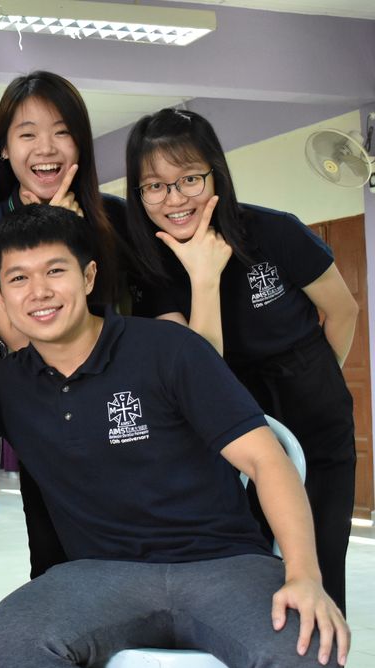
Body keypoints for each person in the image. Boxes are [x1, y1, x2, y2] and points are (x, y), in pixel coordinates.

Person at [0, 205, 349, 668]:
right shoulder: (3, 387)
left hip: (225, 567)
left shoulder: (169, 348)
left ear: (88, 277)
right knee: (17, 635)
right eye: (18, 278)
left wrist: (304, 575)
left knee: (307, 649)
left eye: (55, 271)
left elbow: (265, 460)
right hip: (98, 575)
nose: (39, 291)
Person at [123, 107, 358, 611]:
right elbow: (202, 371)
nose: (174, 199)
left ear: (216, 175)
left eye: (189, 178)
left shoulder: (275, 231)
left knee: (319, 558)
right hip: (227, 421)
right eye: (155, 186)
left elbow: (343, 311)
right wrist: (203, 277)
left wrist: (323, 380)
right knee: (244, 563)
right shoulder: (150, 267)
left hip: (313, 407)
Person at [0, 70, 126, 579]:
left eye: (62, 131)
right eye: (27, 133)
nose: (45, 148)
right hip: (47, 416)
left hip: (127, 410)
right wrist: (62, 233)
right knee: (58, 569)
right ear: (4, 150)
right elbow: (19, 337)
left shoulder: (116, 218)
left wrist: (81, 231)